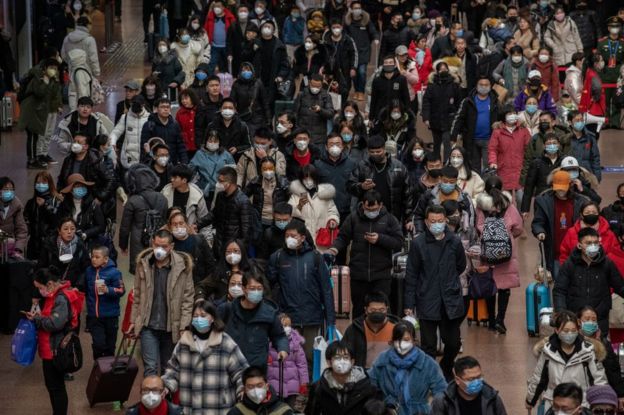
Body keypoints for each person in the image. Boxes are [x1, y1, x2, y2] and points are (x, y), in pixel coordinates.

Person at [404, 205, 466, 380]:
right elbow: (412, 274)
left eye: (440, 221)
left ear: (445, 220)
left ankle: (446, 366)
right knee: (428, 346)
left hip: (450, 300)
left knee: (453, 343)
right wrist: (409, 304)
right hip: (427, 299)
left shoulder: (454, 241)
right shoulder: (418, 243)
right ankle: (430, 377)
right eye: (433, 221)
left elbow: (460, 265)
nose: (437, 224)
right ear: (426, 222)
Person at [267, 220, 336, 363]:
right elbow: (271, 286)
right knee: (290, 357)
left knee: (310, 357)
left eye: (293, 235)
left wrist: (331, 321)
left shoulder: (315, 257)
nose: (289, 239)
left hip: (312, 317)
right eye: (287, 236)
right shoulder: (277, 257)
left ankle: (309, 385)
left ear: (303, 238)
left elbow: (326, 290)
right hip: (288, 318)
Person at [162, 300, 248, 414]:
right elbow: (172, 371)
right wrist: (165, 386)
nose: (199, 319)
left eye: (203, 315)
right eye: (195, 316)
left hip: (219, 408)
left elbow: (241, 372)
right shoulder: (184, 343)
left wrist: (242, 390)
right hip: (190, 407)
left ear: (212, 318)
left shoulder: (226, 342)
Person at [128, 229, 194, 376]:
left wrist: (184, 325)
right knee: (150, 368)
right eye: (157, 245)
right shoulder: (143, 264)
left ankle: (165, 399)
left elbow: (188, 298)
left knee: (167, 369)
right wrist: (134, 320)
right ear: (152, 243)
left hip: (171, 328)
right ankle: (150, 397)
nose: (160, 250)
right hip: (148, 326)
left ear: (171, 246)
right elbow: (137, 294)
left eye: (164, 247)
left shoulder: (182, 267)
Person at [327, 191, 402, 318]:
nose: (370, 211)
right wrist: (334, 249)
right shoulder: (353, 218)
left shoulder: (389, 219)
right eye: (367, 208)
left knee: (380, 309)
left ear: (380, 205)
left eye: (373, 209)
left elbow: (398, 242)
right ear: (362, 205)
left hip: (381, 274)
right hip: (358, 274)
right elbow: (343, 237)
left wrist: (380, 239)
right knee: (359, 310)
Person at [25, 267, 82, 415]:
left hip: (55, 350)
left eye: (40, 288)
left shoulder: (61, 298)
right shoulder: (54, 296)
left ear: (50, 284)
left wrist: (37, 318)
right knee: (53, 386)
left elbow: (54, 324)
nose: (39, 291)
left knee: (56, 387)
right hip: (50, 349)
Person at [526, 311, 608, 412]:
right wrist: (530, 400)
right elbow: (538, 378)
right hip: (554, 405)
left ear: (578, 330)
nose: (570, 334)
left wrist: (600, 406)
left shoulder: (588, 352)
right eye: (566, 330)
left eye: (573, 330)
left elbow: (599, 380)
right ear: (557, 330)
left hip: (581, 406)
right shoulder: (547, 352)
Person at [475, 176, 523, 334]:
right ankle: (500, 320)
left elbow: (479, 225)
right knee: (505, 286)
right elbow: (518, 227)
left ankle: (490, 319)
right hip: (506, 252)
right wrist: (507, 236)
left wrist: (488, 236)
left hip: (488, 250)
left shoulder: (481, 206)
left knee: (490, 284)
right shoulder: (508, 204)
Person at [555, 227, 624, 335]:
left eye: (595, 242)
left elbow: (620, 287)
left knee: (600, 348)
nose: (593, 246)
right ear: (579, 245)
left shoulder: (607, 264)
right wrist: (562, 314)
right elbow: (559, 291)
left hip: (599, 318)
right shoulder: (569, 265)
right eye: (588, 243)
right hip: (575, 318)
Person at [369, 322, 447, 414]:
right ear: (392, 341)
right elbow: (370, 384)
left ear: (414, 341)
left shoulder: (427, 363)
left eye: (406, 339)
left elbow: (441, 389)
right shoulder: (382, 360)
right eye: (398, 339)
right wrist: (385, 403)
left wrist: (435, 408)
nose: (401, 344)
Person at [218, 272, 289, 370]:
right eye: (252, 288)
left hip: (256, 369)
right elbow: (214, 333)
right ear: (243, 289)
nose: (256, 292)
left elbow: (279, 336)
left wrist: (283, 349)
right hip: (230, 366)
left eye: (259, 289)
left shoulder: (269, 312)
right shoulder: (227, 309)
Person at [347, 135, 413, 227]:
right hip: (367, 217)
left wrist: (408, 218)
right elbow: (350, 186)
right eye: (372, 152)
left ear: (385, 149)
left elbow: (407, 194)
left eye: (378, 151)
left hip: (392, 217)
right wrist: (361, 186)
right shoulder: (362, 166)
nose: (375, 154)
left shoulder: (398, 167)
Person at [531, 169, 589, 273]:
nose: (560, 191)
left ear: (570, 185)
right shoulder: (544, 201)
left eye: (563, 189)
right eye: (558, 189)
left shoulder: (580, 202)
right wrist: (540, 231)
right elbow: (538, 222)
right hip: (554, 252)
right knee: (558, 283)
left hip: (576, 251)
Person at [305, 340, 380, 415]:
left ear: (352, 362)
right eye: (337, 358)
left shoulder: (367, 387)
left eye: (346, 357)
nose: (342, 361)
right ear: (329, 362)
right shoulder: (318, 388)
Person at [118, 164, 168, 274]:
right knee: (157, 271)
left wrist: (123, 245)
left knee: (139, 272)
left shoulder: (133, 200)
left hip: (138, 241)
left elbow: (125, 227)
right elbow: (165, 220)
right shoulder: (162, 198)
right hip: (158, 239)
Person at [18, 57, 63, 169]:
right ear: (45, 68)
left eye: (55, 68)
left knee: (35, 136)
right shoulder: (38, 78)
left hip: (38, 111)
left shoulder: (51, 79)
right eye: (51, 68)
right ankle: (32, 160)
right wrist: (45, 81)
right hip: (31, 110)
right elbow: (40, 93)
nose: (53, 70)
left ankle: (35, 158)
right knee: (33, 136)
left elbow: (53, 94)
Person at [450, 75, 501, 172]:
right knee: (473, 168)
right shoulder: (468, 101)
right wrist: (453, 136)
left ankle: (487, 186)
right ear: (476, 86)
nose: (484, 87)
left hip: (489, 140)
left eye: (486, 85)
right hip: (471, 140)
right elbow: (458, 118)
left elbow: (503, 116)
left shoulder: (495, 101)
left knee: (489, 168)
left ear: (490, 86)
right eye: (481, 84)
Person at [431, 356, 508, 415]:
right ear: (458, 380)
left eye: (479, 377)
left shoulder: (492, 398)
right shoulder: (442, 401)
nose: (476, 382)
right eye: (471, 379)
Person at [578, 306, 624, 405]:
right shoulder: (574, 343)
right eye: (587, 319)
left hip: (601, 394)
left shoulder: (604, 342)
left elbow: (613, 370)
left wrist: (620, 394)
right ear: (579, 322)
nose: (590, 322)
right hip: (579, 395)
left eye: (594, 320)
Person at [85, 245, 124, 359]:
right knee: (98, 344)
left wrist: (108, 290)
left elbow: (121, 290)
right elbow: (86, 289)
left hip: (111, 316)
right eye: (92, 256)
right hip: (94, 316)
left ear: (106, 259)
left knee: (110, 346)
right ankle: (98, 367)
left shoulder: (115, 272)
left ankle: (108, 371)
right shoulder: (88, 271)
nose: (93, 259)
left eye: (97, 257)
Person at [412, 165, 476, 236]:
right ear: (440, 179)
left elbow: (471, 220)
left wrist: (466, 238)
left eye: (451, 182)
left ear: (456, 181)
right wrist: (419, 233)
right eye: (445, 181)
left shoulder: (464, 199)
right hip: (431, 237)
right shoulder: (429, 195)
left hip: (457, 238)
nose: (448, 184)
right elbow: (418, 215)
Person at [196, 239, 265, 302]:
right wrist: (200, 298)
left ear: (242, 252)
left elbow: (265, 290)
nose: (232, 254)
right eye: (228, 252)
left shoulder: (252, 269)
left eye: (236, 251)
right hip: (225, 308)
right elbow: (201, 286)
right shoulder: (219, 272)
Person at [342, 292, 398, 369]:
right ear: (366, 310)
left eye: (382, 310)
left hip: (389, 375)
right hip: (362, 376)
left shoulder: (396, 328)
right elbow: (344, 353)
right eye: (373, 310)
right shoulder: (354, 329)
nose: (377, 313)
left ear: (387, 309)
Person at [210, 167, 255, 257]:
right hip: (219, 241)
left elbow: (246, 231)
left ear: (229, 183)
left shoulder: (243, 201)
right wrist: (198, 224)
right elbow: (214, 214)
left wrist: (240, 249)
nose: (218, 184)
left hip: (233, 246)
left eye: (221, 181)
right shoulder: (220, 196)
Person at [422, 61, 461, 161]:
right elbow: (426, 102)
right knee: (436, 144)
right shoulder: (432, 85)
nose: (443, 71)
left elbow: (458, 102)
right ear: (437, 71)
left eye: (445, 69)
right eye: (441, 69)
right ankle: (436, 162)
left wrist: (456, 116)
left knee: (447, 143)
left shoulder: (454, 84)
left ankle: (447, 163)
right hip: (435, 119)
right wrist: (426, 118)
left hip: (449, 119)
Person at [520, 111, 572, 186]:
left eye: (545, 121)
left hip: (560, 178)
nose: (542, 123)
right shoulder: (535, 139)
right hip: (540, 180)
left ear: (553, 122)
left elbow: (568, 158)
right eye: (540, 121)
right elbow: (527, 161)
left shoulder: (564, 138)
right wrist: (524, 182)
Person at [37, 217, 90, 292]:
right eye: (65, 229)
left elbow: (85, 269)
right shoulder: (49, 245)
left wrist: (78, 286)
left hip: (72, 290)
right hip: (52, 289)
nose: (69, 232)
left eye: (72, 229)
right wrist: (49, 282)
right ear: (59, 231)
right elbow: (41, 268)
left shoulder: (80, 246)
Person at [267, 313, 308, 408]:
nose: (287, 328)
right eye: (284, 325)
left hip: (292, 386)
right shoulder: (269, 342)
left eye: (289, 325)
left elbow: (302, 364)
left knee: (289, 409)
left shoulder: (296, 343)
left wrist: (303, 382)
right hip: (274, 386)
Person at [313, 133, 357, 222]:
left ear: (342, 146)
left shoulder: (351, 163)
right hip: (325, 211)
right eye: (331, 144)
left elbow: (355, 187)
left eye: (337, 144)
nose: (335, 147)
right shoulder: (318, 164)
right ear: (326, 147)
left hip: (346, 211)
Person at [60, 16, 101, 110]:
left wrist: (71, 63)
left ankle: (74, 118)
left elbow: (63, 55)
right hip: (86, 74)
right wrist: (97, 73)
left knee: (73, 97)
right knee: (85, 98)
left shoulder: (67, 38)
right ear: (87, 25)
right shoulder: (89, 40)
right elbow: (93, 58)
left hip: (72, 73)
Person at [167, 210, 215, 286]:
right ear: (170, 227)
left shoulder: (199, 240)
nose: (178, 227)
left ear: (186, 224)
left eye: (181, 223)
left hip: (197, 284)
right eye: (174, 224)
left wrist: (204, 286)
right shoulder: (168, 244)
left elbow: (210, 264)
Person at [57, 173, 106, 249]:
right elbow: (58, 222)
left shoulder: (93, 204)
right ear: (71, 190)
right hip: (68, 242)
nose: (80, 189)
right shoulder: (64, 204)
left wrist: (86, 234)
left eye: (82, 186)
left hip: (88, 242)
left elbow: (101, 226)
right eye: (77, 187)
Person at [521, 134, 566, 216]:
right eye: (549, 143)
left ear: (559, 144)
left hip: (561, 199)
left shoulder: (564, 161)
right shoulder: (537, 163)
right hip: (542, 200)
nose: (552, 145)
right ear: (544, 146)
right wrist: (525, 209)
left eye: (554, 143)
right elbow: (529, 187)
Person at [345, 1, 379, 101]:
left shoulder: (366, 21)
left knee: (362, 72)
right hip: (352, 52)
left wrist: (376, 38)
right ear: (351, 10)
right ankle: (356, 90)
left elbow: (373, 31)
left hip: (364, 50)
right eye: (355, 8)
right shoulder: (348, 22)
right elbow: (344, 35)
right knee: (354, 74)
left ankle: (361, 91)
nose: (357, 10)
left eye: (359, 8)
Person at [24, 172, 62, 260]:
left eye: (44, 183)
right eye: (38, 182)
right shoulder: (31, 202)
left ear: (50, 184)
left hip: (49, 244)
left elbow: (57, 221)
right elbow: (26, 220)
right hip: (33, 244)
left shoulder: (56, 201)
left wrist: (45, 205)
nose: (40, 185)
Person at [243, 157, 290, 227]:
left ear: (275, 168)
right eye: (264, 169)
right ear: (260, 170)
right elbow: (243, 196)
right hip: (259, 221)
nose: (268, 171)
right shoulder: (255, 181)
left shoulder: (283, 182)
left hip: (278, 221)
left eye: (271, 168)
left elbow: (291, 200)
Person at [140, 97, 189, 165]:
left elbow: (180, 146)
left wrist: (184, 162)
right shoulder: (149, 125)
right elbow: (144, 147)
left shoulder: (175, 125)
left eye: (168, 107)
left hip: (172, 163)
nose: (166, 109)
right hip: (155, 163)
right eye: (162, 107)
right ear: (156, 109)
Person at [190, 129, 235, 202]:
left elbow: (233, 171)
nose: (213, 143)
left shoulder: (225, 154)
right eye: (210, 141)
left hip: (223, 190)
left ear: (219, 142)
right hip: (206, 191)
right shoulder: (199, 154)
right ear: (206, 141)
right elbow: (190, 170)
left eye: (215, 141)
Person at [228, 366, 294, 415]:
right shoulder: (237, 412)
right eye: (250, 387)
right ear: (244, 390)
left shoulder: (283, 411)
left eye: (259, 385)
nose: (255, 390)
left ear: (267, 386)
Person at [230, 62, 271, 138]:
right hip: (242, 116)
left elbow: (265, 102)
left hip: (257, 118)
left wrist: (268, 118)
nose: (246, 72)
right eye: (244, 70)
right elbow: (232, 101)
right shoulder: (236, 84)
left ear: (252, 71)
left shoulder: (258, 83)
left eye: (248, 70)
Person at [322, 19, 358, 103]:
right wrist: (322, 66)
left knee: (344, 91)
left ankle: (342, 107)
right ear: (331, 28)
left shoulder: (348, 39)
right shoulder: (326, 40)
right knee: (329, 90)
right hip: (330, 71)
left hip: (345, 70)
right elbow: (322, 55)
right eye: (334, 27)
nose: (336, 29)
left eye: (338, 27)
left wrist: (353, 68)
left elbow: (354, 54)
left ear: (341, 27)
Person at [293, 74, 335, 144]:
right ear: (309, 83)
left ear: (321, 85)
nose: (315, 88)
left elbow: (330, 113)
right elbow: (295, 114)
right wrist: (297, 130)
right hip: (303, 135)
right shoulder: (302, 95)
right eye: (313, 85)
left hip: (319, 138)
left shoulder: (326, 96)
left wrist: (320, 110)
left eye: (318, 86)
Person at [206, 98, 252, 162]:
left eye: (230, 108)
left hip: (235, 160)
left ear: (235, 110)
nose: (227, 110)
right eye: (225, 108)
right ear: (220, 109)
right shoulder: (212, 125)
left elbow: (248, 145)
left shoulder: (242, 126)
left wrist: (237, 149)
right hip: (215, 160)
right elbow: (205, 144)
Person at [369, 55, 411, 125]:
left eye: (390, 62)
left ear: (394, 65)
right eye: (386, 63)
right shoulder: (377, 80)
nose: (388, 64)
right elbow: (373, 99)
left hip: (396, 114)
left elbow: (406, 98)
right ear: (383, 65)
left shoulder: (401, 79)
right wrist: (371, 118)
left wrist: (407, 114)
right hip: (380, 114)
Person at [567, 110, 602, 181]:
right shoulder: (565, 138)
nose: (580, 122)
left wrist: (597, 176)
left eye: (581, 120)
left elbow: (595, 158)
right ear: (570, 122)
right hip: (569, 175)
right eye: (577, 120)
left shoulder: (590, 137)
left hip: (587, 175)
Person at [0, 177, 28, 258]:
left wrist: (17, 249)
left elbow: (22, 230)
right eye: (5, 189)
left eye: (11, 189)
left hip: (9, 246)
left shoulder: (17, 206)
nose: (9, 192)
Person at [174, 89, 200, 158]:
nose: (184, 101)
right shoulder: (179, 113)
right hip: (185, 146)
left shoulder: (199, 110)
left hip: (199, 146)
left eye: (186, 98)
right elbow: (177, 130)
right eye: (182, 99)